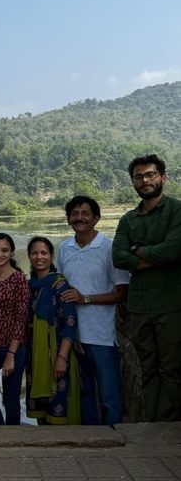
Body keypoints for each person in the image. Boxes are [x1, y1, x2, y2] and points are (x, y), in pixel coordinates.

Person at [112, 154, 181, 421]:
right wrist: (154, 256)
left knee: (172, 369)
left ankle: (172, 427)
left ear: (163, 177)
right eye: (139, 177)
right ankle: (152, 424)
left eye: (150, 174)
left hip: (172, 304)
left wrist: (139, 252)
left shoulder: (176, 211)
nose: (145, 180)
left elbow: (174, 249)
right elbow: (119, 256)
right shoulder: (128, 220)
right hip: (139, 307)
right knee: (146, 369)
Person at [57, 196, 129, 425]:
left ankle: (115, 439)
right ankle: (91, 440)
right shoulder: (64, 248)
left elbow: (121, 292)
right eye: (74, 214)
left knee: (109, 395)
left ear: (96, 218)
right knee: (83, 392)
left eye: (85, 213)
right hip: (71, 335)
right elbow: (59, 286)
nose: (79, 218)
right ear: (69, 219)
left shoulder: (108, 248)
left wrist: (85, 298)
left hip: (101, 336)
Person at [25, 236, 80, 424]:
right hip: (35, 355)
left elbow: (70, 322)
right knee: (41, 410)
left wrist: (62, 358)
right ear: (29, 256)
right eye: (34, 253)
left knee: (58, 405)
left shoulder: (59, 284)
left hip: (56, 352)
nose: (39, 257)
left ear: (51, 256)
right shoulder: (29, 286)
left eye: (44, 253)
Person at [0, 233, 29, 425]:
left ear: (11, 253)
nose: (0, 254)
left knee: (10, 399)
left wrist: (11, 353)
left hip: (14, 346)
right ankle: (0, 434)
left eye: (5, 250)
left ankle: (13, 440)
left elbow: (21, 318)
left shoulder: (19, 279)